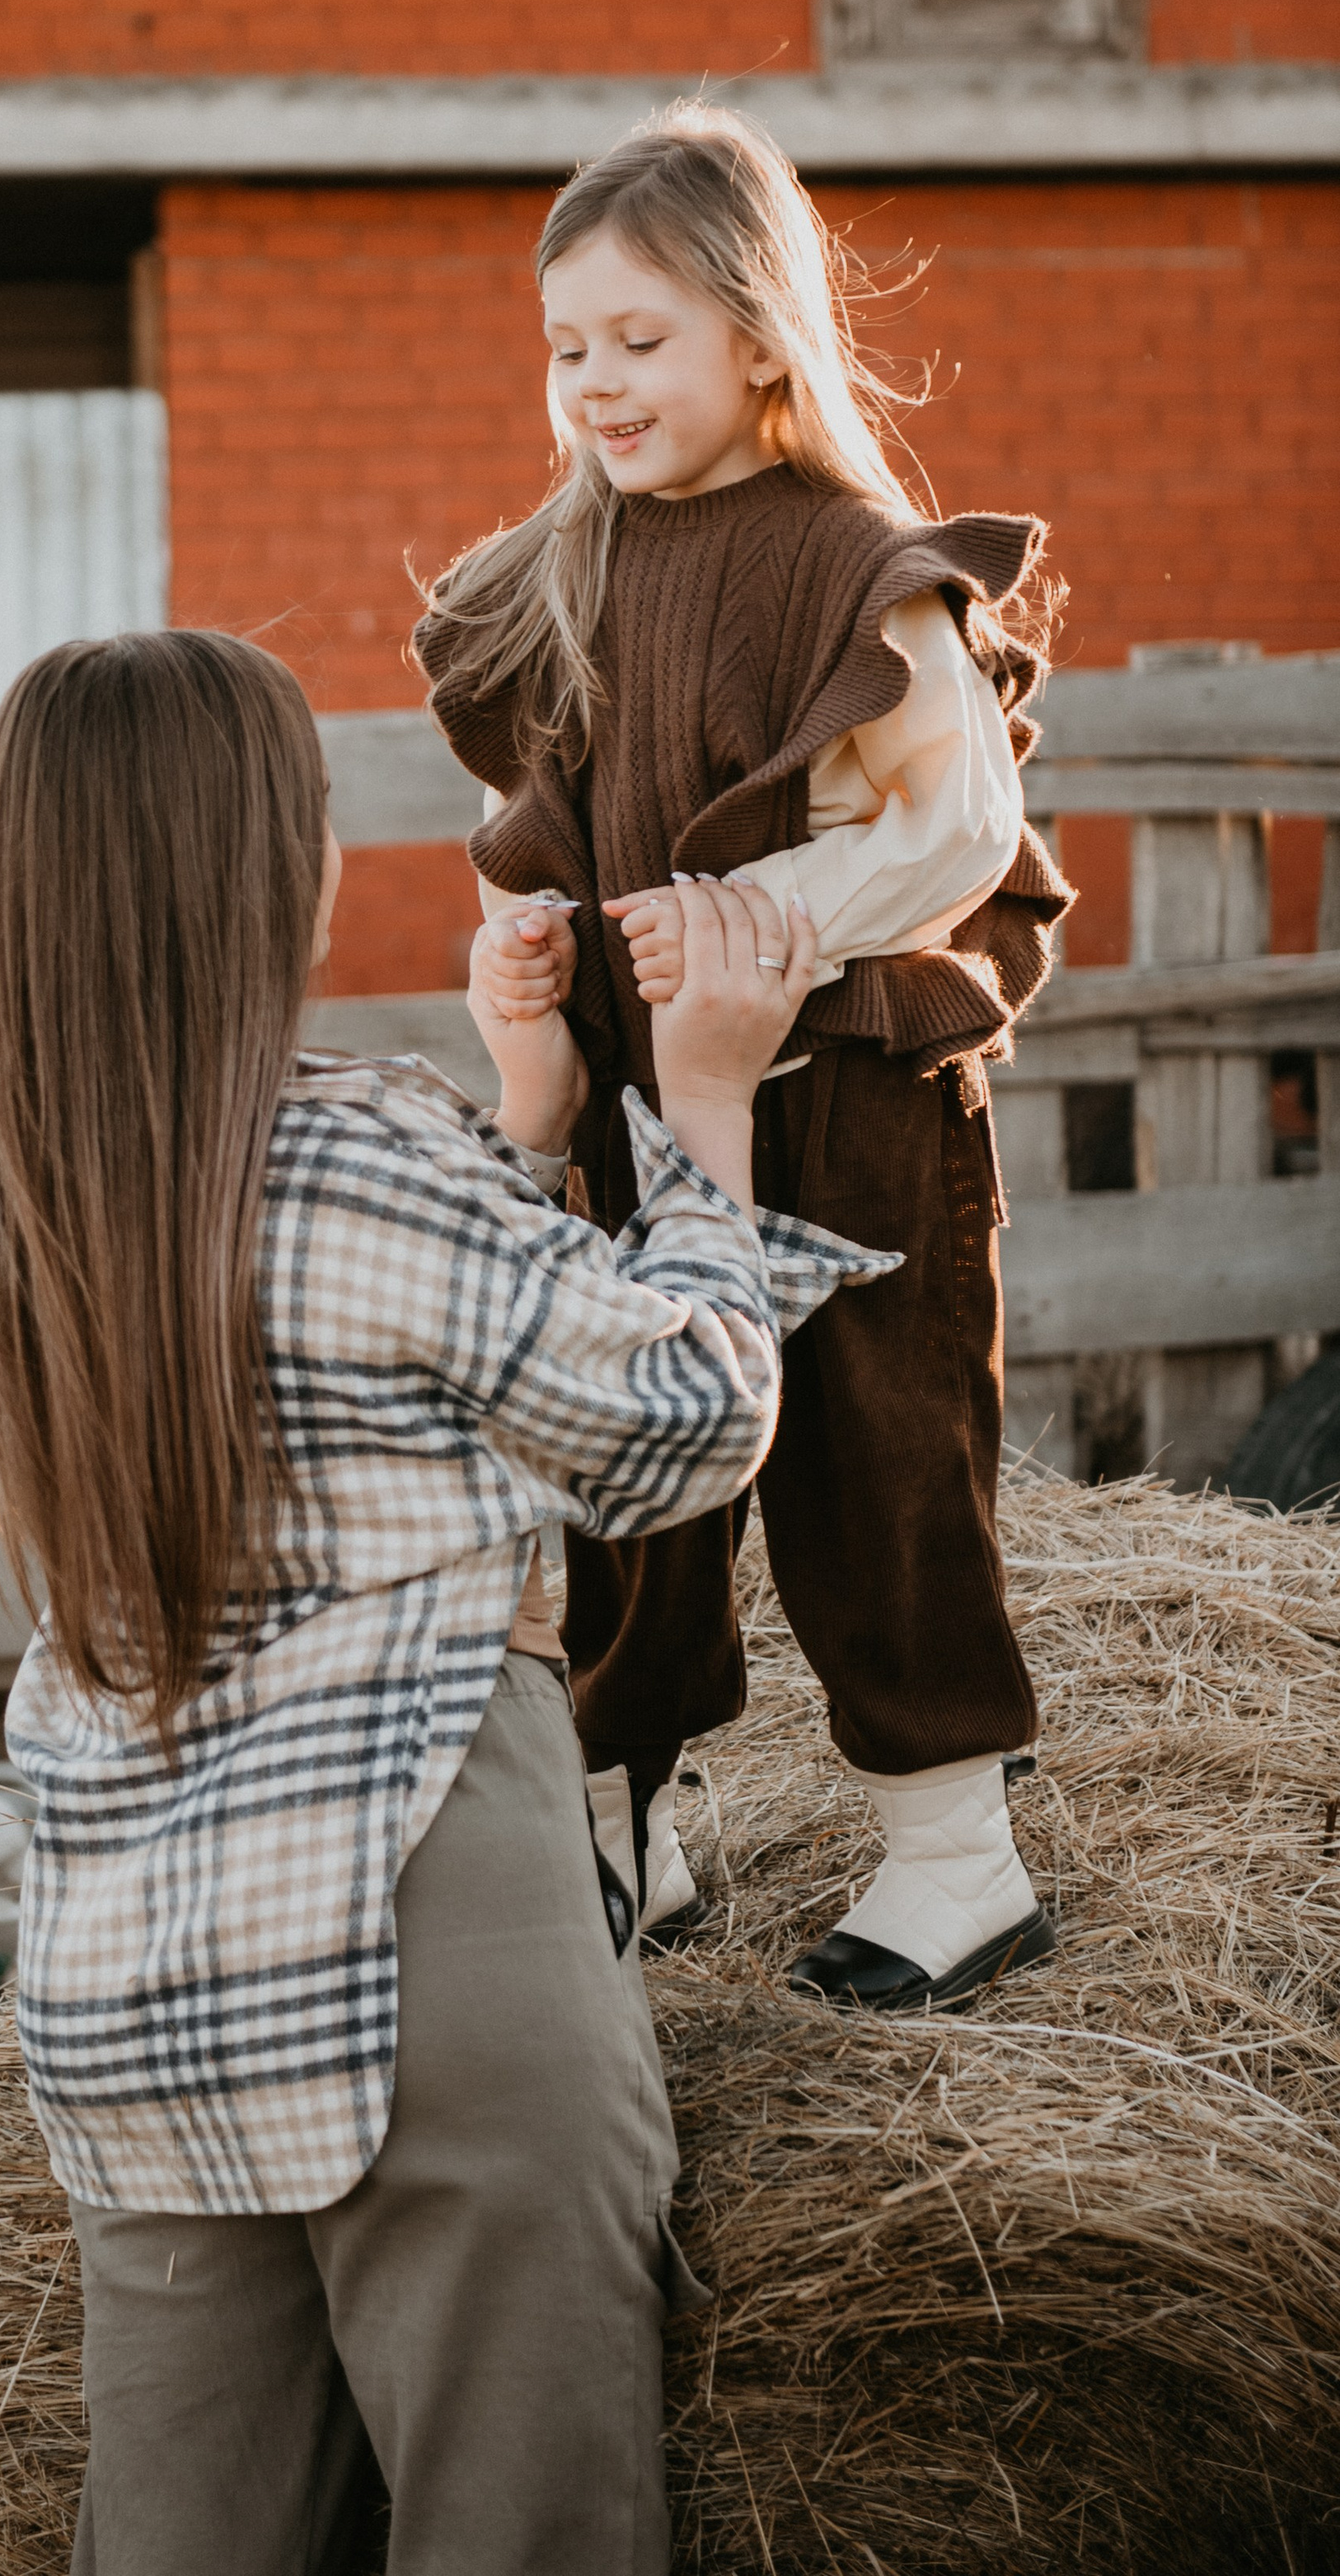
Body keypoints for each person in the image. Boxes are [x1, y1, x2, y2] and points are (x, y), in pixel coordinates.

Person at [0, 628, 889, 2576]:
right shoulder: (351, 1148)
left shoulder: (7, 1210)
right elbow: (683, 1422)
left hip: (138, 1986)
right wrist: (701, 1103)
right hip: (418, 1931)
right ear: (248, 876)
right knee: (517, 2536)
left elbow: (337, 1379)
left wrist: (521, 1120)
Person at [414, 101, 1074, 2016]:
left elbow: (959, 828)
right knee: (625, 1464)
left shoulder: (853, 563)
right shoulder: (570, 562)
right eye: (567, 348)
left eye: (640, 340)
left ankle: (953, 1864)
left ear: (761, 338)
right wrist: (529, 932)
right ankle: (627, 1829)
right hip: (639, 1102)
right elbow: (546, 819)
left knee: (876, 1464)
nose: (596, 384)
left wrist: (758, 915)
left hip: (849, 1092)